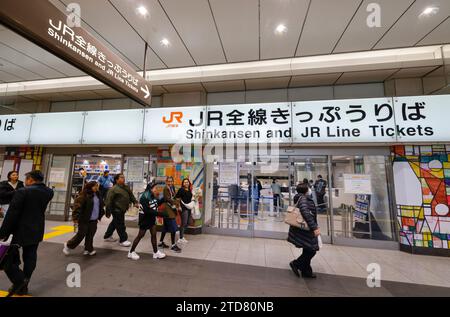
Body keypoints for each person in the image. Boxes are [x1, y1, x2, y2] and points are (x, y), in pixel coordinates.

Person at [0, 170, 54, 296]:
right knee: (30, 256)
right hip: (36, 229)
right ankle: (25, 284)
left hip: (18, 230)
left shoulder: (23, 191)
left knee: (8, 258)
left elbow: (12, 213)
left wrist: (2, 232)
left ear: (30, 179)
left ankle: (20, 281)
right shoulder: (49, 192)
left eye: (26, 179)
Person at [63, 181, 105, 256]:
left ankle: (88, 249)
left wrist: (102, 212)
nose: (96, 187)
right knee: (81, 235)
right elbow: (77, 207)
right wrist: (75, 218)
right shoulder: (84, 195)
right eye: (94, 186)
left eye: (97, 186)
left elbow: (100, 205)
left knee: (90, 235)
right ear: (89, 187)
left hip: (94, 219)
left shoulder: (98, 195)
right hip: (84, 219)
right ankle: (68, 245)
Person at [288, 183, 320, 279]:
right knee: (312, 250)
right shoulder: (304, 199)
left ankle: (306, 271)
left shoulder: (300, 198)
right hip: (306, 228)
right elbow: (305, 212)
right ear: (306, 190)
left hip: (302, 228)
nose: (310, 189)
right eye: (308, 188)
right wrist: (314, 227)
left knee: (308, 249)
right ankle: (296, 264)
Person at [128, 183, 167, 260]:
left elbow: (155, 203)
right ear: (150, 188)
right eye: (155, 188)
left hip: (151, 218)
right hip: (145, 219)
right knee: (140, 235)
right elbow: (147, 211)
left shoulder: (152, 195)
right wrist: (160, 214)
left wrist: (163, 199)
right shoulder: (144, 197)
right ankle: (131, 252)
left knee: (153, 234)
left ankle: (155, 253)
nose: (156, 190)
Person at [103, 174, 139, 247]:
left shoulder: (126, 187)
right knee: (120, 224)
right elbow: (108, 201)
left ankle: (107, 236)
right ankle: (123, 240)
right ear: (116, 180)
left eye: (124, 177)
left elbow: (131, 195)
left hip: (123, 209)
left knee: (114, 223)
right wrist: (108, 212)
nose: (123, 178)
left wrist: (135, 202)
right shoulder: (113, 189)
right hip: (116, 209)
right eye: (121, 177)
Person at [158, 176, 182, 253]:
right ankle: (173, 245)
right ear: (166, 181)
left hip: (170, 208)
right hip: (168, 209)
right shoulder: (166, 188)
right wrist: (176, 203)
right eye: (169, 181)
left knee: (165, 227)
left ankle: (161, 242)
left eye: (171, 181)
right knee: (173, 228)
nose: (170, 183)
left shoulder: (171, 187)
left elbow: (173, 196)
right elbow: (167, 199)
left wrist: (177, 200)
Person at [175, 178, 193, 244]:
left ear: (189, 183)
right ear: (183, 183)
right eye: (185, 182)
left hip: (188, 208)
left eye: (187, 182)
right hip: (183, 208)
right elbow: (177, 198)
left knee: (187, 222)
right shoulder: (181, 190)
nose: (186, 183)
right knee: (184, 223)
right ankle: (180, 238)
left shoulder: (189, 190)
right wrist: (178, 206)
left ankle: (180, 234)